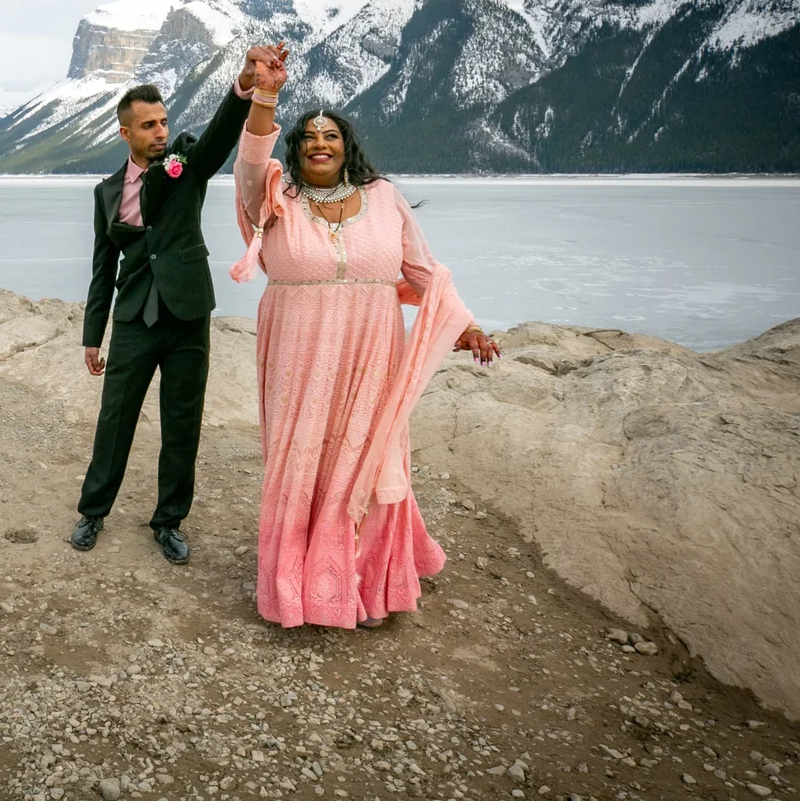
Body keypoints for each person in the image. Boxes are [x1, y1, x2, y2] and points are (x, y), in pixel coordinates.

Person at [230, 85, 501, 628]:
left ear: (347, 145)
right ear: (296, 151)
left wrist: (465, 324)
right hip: (297, 352)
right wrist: (264, 97)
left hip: (372, 351)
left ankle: (361, 582)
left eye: (331, 135)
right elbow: (252, 158)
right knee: (301, 456)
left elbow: (424, 270)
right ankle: (298, 584)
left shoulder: (384, 198)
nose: (319, 143)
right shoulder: (272, 200)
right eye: (307, 138)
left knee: (366, 456)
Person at [71, 44, 290, 565]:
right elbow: (103, 270)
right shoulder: (105, 193)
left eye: (164, 122)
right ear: (126, 133)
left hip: (188, 313)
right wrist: (91, 335)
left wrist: (246, 86)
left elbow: (218, 139)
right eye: (148, 126)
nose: (161, 132)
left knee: (181, 422)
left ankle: (168, 522)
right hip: (133, 319)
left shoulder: (184, 162)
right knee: (115, 418)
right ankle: (93, 512)